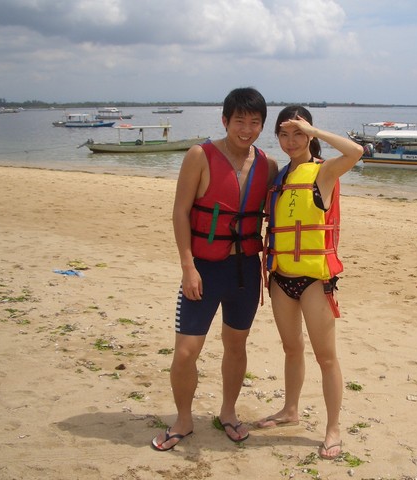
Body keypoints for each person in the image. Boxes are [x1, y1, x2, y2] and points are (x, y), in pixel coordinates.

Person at [151, 87, 278, 451]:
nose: (247, 128)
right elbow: (180, 212)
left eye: (255, 122)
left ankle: (228, 412)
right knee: (187, 351)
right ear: (225, 120)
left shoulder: (267, 165)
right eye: (240, 120)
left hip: (245, 271)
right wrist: (187, 266)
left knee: (236, 346)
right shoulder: (199, 156)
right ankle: (184, 419)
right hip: (204, 268)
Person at [257, 106, 363, 460]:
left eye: (298, 133)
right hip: (281, 278)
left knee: (326, 357)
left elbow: (356, 152)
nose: (291, 141)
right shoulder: (278, 176)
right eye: (284, 134)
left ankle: (333, 428)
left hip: (315, 280)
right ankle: (290, 409)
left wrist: (315, 132)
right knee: (291, 349)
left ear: (310, 134)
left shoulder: (325, 171)